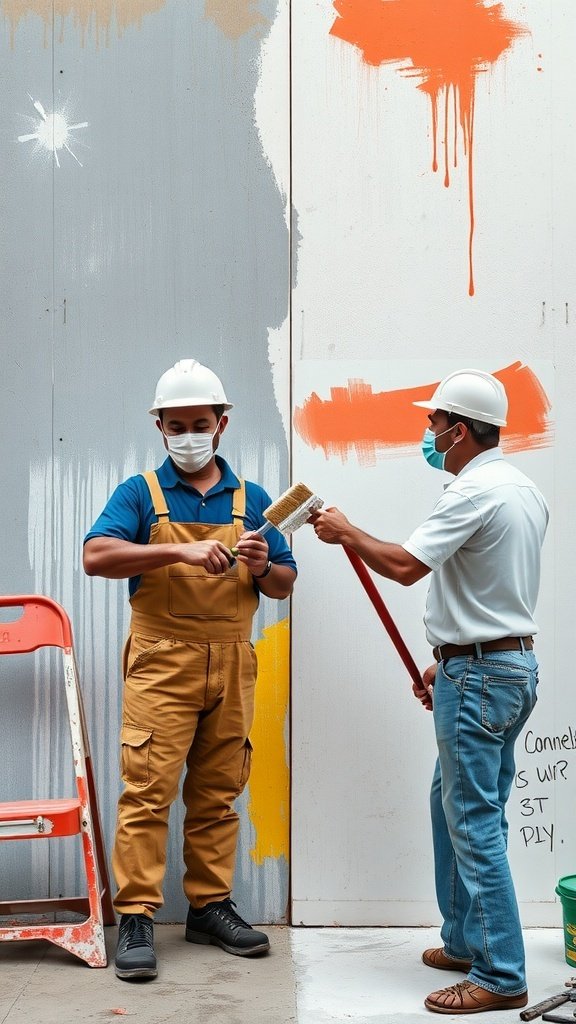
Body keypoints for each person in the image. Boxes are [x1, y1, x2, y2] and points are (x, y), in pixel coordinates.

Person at [310, 369, 548, 1015]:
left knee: (473, 822)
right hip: (504, 667)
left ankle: (500, 975)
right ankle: (467, 940)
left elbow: (406, 566)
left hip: (481, 676)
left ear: (461, 429)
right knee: (461, 800)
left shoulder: (470, 493)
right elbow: (494, 590)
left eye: (434, 422)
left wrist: (348, 531)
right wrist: (449, 661)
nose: (428, 432)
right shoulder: (522, 488)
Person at [83, 358, 297, 981]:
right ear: (160, 426)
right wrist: (179, 547)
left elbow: (283, 584)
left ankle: (209, 907)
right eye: (175, 425)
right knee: (147, 791)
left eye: (199, 423)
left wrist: (260, 563)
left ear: (222, 423)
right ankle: (140, 915)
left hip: (232, 660)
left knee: (218, 792)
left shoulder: (253, 500)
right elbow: (96, 556)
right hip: (161, 659)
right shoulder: (138, 494)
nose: (187, 434)